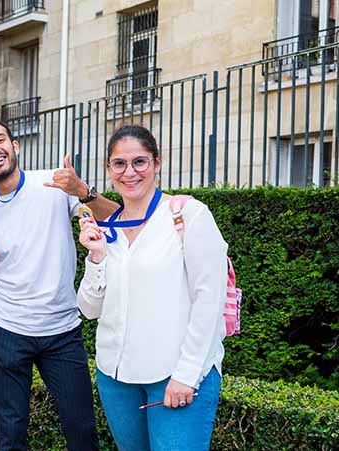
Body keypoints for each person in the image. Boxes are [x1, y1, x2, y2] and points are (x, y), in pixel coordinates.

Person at [0, 117, 119, 451]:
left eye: (0, 140)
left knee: (82, 430)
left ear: (15, 146)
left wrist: (83, 191)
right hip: (7, 331)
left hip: (62, 331)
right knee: (11, 436)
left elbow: (118, 218)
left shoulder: (53, 186)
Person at [76, 125, 227, 451]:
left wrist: (187, 375)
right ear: (108, 169)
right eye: (119, 164)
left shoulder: (188, 215)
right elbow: (88, 309)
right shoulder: (108, 228)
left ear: (157, 163)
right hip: (115, 377)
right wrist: (97, 257)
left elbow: (209, 300)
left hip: (174, 374)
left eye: (139, 162)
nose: (129, 172)